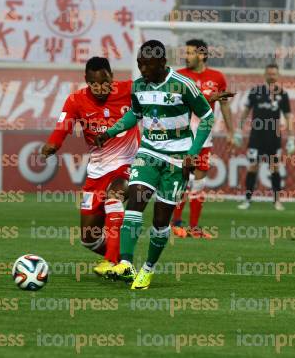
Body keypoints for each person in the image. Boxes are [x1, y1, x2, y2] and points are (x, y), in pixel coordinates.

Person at [95, 40, 227, 290]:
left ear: (162, 63)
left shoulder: (182, 84)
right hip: (148, 153)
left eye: (147, 65)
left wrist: (193, 152)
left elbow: (208, 117)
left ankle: (147, 269)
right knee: (135, 202)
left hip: (177, 160)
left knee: (160, 221)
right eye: (139, 64)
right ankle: (125, 263)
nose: (142, 69)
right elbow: (135, 114)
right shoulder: (139, 86)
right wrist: (110, 132)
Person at [41, 57, 139, 276]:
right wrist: (52, 145)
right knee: (89, 238)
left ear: (112, 77)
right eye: (94, 84)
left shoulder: (130, 90)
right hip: (97, 171)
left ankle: (112, 261)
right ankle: (124, 262)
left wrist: (205, 97)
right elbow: (62, 126)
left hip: (129, 163)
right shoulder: (76, 100)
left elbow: (164, 94)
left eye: (105, 83)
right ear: (86, 80)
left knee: (115, 195)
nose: (101, 88)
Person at [172, 39, 234, 238]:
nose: (186, 56)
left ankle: (194, 228)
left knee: (199, 183)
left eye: (189, 53)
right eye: (186, 52)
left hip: (204, 139)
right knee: (180, 181)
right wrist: (209, 99)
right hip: (181, 138)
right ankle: (175, 223)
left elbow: (224, 105)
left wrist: (231, 131)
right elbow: (179, 103)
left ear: (201, 55)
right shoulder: (179, 76)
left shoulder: (217, 77)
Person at [234, 63, 295, 211]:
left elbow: (288, 117)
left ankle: (277, 201)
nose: (271, 76)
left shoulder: (282, 94)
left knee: (274, 168)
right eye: (269, 73)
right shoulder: (256, 92)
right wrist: (238, 131)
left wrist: (291, 138)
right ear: (265, 75)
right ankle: (247, 200)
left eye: (274, 74)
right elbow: (245, 112)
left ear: (278, 76)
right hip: (256, 137)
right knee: (253, 167)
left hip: (273, 137)